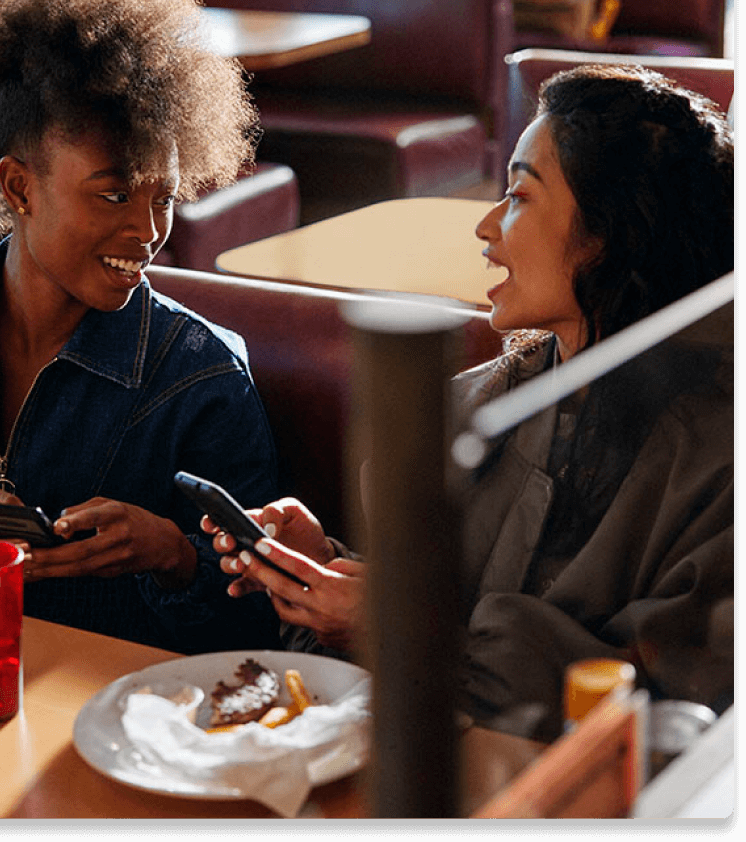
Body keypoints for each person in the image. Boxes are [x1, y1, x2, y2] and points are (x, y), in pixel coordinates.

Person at [206, 64, 735, 739]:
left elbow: (673, 717)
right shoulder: (475, 407)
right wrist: (327, 569)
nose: (485, 227)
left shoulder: (716, 459)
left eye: (517, 195)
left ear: (610, 231)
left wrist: (394, 621)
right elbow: (438, 608)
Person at [0, 0, 283, 654]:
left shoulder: (202, 377)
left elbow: (255, 620)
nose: (149, 231)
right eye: (114, 193)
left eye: (165, 198)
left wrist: (173, 555)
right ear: (20, 187)